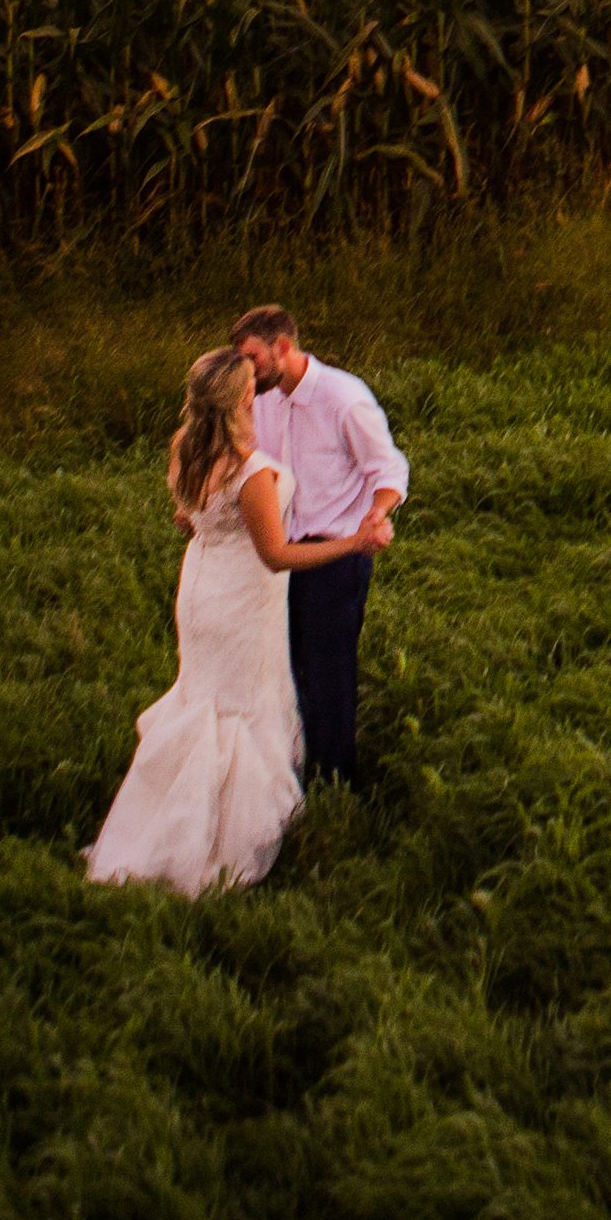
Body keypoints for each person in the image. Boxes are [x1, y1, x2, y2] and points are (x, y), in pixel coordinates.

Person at [85, 345, 393, 895]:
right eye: (253, 382)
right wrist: (355, 542)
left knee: (203, 696)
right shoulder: (251, 470)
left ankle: (166, 813)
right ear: (243, 396)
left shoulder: (185, 448)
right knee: (238, 705)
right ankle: (218, 836)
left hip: (202, 590)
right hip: (243, 601)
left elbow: (188, 516)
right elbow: (274, 556)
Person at [231, 301, 409, 784]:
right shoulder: (257, 398)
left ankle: (334, 782)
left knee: (329, 674)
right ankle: (283, 773)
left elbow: (388, 468)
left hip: (335, 556)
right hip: (272, 556)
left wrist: (377, 513)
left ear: (283, 347)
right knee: (280, 668)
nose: (247, 370)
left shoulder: (344, 397)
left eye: (254, 358)